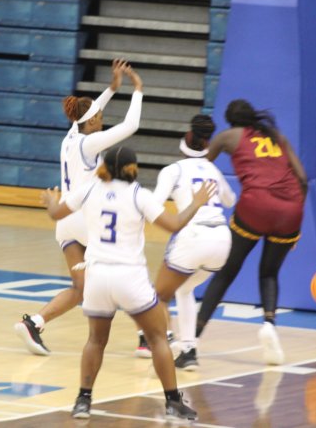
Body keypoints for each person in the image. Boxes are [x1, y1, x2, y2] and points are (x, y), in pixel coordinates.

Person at [41, 146, 215, 420]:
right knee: (157, 338)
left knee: (95, 340)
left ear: (104, 167)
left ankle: (83, 401)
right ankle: (173, 402)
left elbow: (56, 214)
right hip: (129, 277)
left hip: (97, 276)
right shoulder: (138, 195)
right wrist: (196, 202)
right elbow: (174, 224)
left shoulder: (89, 189)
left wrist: (51, 201)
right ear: (132, 168)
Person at [14, 59, 144, 356]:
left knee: (81, 288)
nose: (102, 119)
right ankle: (146, 337)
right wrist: (137, 89)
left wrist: (112, 89)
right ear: (92, 121)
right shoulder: (90, 143)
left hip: (66, 223)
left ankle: (34, 323)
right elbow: (131, 125)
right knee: (124, 273)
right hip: (86, 221)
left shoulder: (71, 135)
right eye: (100, 116)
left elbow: (89, 110)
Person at [194, 99, 308, 365]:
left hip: (257, 204)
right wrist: (295, 226)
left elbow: (200, 168)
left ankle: (192, 338)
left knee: (227, 272)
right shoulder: (277, 137)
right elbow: (302, 179)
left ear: (230, 120)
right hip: (291, 209)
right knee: (269, 272)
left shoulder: (228, 136)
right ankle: (269, 323)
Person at [149, 114, 236, 370]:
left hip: (194, 235)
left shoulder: (173, 170)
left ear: (185, 140)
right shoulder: (213, 170)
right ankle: (189, 350)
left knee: (157, 298)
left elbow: (153, 205)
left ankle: (157, 345)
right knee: (184, 289)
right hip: (221, 240)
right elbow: (230, 200)